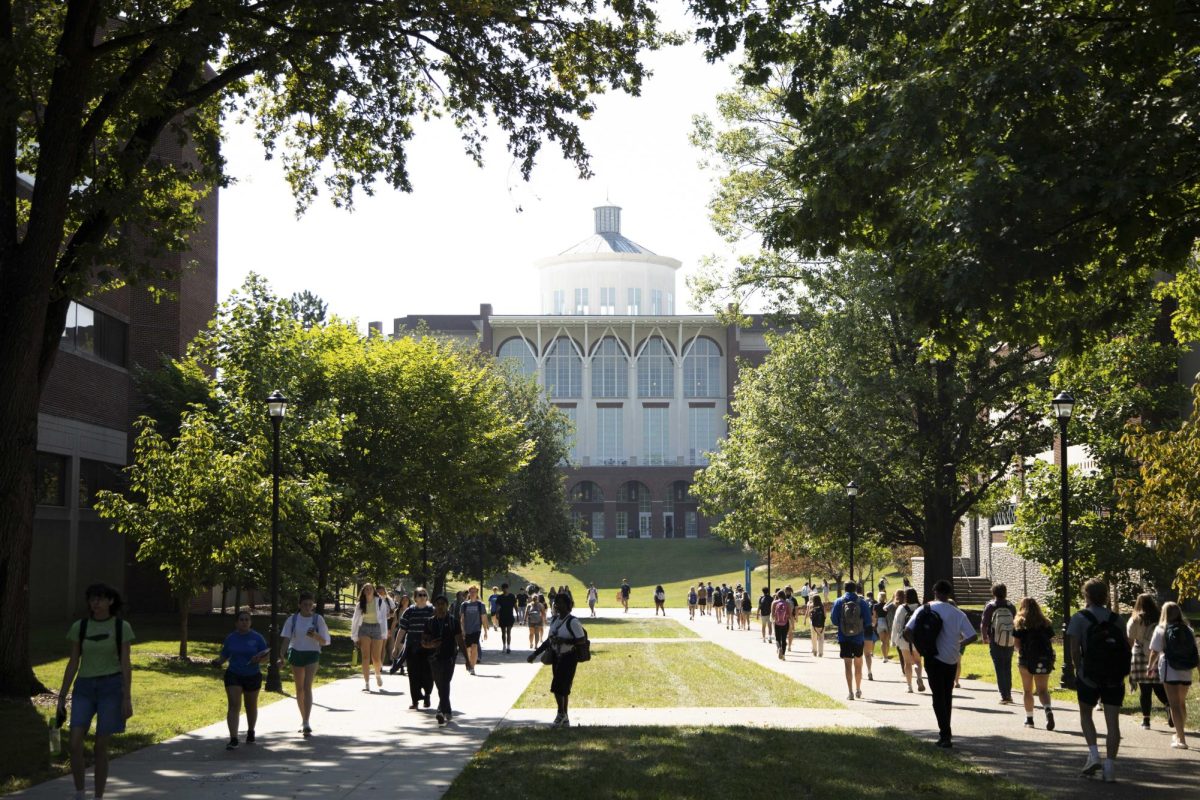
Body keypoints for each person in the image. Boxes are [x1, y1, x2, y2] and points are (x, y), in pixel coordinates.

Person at [57, 584, 135, 800]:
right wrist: (62, 695)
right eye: (92, 599)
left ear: (110, 601)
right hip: (84, 687)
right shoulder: (80, 627)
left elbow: (126, 664)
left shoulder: (121, 627)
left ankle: (98, 796)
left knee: (101, 745)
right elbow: (73, 662)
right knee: (74, 742)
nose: (95, 603)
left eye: (100, 599)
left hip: (111, 687)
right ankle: (80, 792)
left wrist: (126, 697)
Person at [1067, 578, 1129, 781]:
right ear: (1105, 596)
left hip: (1089, 675)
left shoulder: (1080, 618)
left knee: (1086, 714)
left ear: (1086, 595)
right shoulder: (1117, 619)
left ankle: (1093, 754)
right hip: (1114, 677)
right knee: (1113, 723)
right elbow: (1125, 648)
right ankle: (1109, 767)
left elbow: (1075, 649)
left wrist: (1078, 669)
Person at [903, 579, 977, 748]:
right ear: (949, 594)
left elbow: (907, 631)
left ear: (935, 592)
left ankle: (945, 733)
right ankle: (946, 731)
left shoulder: (925, 608)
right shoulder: (958, 613)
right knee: (947, 694)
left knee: (937, 696)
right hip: (951, 658)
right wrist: (959, 644)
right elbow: (973, 636)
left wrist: (920, 646)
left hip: (932, 657)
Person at [211, 608, 269, 750]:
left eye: (247, 620)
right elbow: (224, 655)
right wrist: (218, 662)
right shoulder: (231, 638)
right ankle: (234, 738)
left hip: (252, 675)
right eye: (241, 620)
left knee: (250, 706)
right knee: (234, 705)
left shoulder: (257, 638)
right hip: (234, 674)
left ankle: (250, 732)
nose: (244, 622)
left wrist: (258, 660)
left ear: (250, 622)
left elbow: (266, 656)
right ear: (236, 623)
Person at [528, 592, 588, 726]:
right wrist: (535, 654)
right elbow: (548, 641)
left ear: (568, 605)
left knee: (558, 686)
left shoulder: (573, 621)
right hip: (556, 656)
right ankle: (564, 717)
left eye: (560, 602)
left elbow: (581, 640)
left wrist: (564, 640)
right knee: (563, 688)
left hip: (569, 657)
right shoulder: (555, 620)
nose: (557, 605)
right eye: (556, 602)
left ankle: (560, 713)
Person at [279, 592, 331, 736]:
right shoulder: (293, 619)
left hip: (312, 653)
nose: (308, 607)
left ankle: (307, 721)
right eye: (305, 604)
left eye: (310, 604)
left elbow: (326, 641)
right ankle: (303, 719)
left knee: (307, 686)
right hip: (296, 652)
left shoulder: (317, 619)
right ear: (299, 605)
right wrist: (281, 655)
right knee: (299, 689)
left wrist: (315, 636)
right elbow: (286, 639)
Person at [1149, 600, 1197, 749]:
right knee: (1181, 703)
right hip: (1186, 670)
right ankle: (1178, 733)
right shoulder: (1188, 629)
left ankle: (1181, 739)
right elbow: (1194, 650)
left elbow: (1154, 651)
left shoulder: (1161, 629)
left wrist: (1150, 666)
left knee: (1173, 705)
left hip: (1170, 669)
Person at [1127, 593, 1172, 731]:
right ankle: (1169, 707)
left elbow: (1130, 636)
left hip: (1140, 654)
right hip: (1157, 654)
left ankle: (1146, 721)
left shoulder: (1135, 619)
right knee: (1158, 686)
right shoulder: (1160, 618)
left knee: (1145, 690)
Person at [1013, 596, 1055, 730]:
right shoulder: (1045, 623)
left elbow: (1017, 645)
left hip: (1026, 661)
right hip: (1043, 660)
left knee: (1027, 690)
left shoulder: (1020, 623)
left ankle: (1029, 719)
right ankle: (1048, 710)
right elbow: (1049, 642)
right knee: (1043, 690)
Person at [423, 594, 466, 725]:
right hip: (434, 659)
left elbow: (460, 641)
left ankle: (440, 711)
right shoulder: (430, 622)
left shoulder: (453, 621)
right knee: (440, 685)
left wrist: (468, 660)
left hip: (449, 658)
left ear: (447, 606)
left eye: (443, 604)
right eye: (438, 604)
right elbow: (423, 641)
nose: (440, 606)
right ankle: (447, 710)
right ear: (434, 606)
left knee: (445, 683)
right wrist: (430, 645)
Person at [394, 587, 436, 709]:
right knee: (413, 674)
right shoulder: (409, 611)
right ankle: (415, 700)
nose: (422, 597)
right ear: (415, 598)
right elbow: (402, 629)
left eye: (424, 595)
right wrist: (396, 647)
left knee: (428, 674)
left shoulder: (432, 611)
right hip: (412, 646)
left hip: (428, 647)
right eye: (420, 595)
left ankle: (427, 694)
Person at [350, 582, 393, 692]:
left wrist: (384, 633)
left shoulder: (380, 602)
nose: (368, 591)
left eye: (370, 589)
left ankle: (377, 674)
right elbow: (355, 620)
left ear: (373, 591)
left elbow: (383, 618)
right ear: (364, 592)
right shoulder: (360, 604)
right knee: (365, 657)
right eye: (366, 589)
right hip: (364, 629)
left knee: (376, 658)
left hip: (376, 629)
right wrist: (355, 636)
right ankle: (367, 683)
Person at [831, 583, 871, 698]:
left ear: (845, 589)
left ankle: (850, 692)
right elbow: (868, 621)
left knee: (847, 664)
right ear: (855, 589)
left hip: (844, 636)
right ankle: (858, 689)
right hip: (858, 637)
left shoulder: (839, 601)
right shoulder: (862, 602)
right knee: (858, 664)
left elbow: (834, 620)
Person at [980, 583, 1017, 705]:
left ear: (993, 592)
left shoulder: (991, 606)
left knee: (999, 667)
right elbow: (1016, 623)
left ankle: (1004, 695)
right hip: (1010, 640)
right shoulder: (1011, 606)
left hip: (995, 640)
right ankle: (1009, 693)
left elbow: (984, 624)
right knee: (1007, 666)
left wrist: (985, 637)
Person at [891, 588, 923, 692]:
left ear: (905, 597)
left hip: (904, 639)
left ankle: (909, 686)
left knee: (907, 663)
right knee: (918, 661)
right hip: (918, 639)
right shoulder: (921, 607)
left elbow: (895, 625)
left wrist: (893, 640)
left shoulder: (901, 608)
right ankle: (919, 677)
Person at [458, 586, 489, 675]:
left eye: (474, 592)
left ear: (477, 593)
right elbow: (462, 619)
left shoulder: (481, 605)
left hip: (476, 629)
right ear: (469, 593)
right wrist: (462, 630)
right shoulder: (464, 605)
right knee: (468, 650)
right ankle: (468, 663)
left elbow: (483, 618)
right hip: (467, 630)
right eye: (471, 592)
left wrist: (485, 632)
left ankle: (472, 667)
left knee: (474, 647)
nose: (473, 593)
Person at [388, 592, 412, 674]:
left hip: (407, 631)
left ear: (409, 601)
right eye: (403, 600)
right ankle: (395, 663)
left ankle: (401, 666)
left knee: (402, 649)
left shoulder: (411, 611)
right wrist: (391, 632)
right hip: (399, 630)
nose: (405, 601)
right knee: (396, 648)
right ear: (401, 601)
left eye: (406, 600)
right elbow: (394, 622)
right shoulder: (397, 611)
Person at [495, 583, 518, 653]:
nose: (505, 589)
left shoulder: (512, 596)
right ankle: (504, 646)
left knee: (508, 631)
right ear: (502, 589)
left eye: (506, 588)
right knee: (503, 632)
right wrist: (497, 613)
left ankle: (508, 647)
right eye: (503, 588)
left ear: (508, 588)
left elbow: (515, 605)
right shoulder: (500, 597)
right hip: (502, 616)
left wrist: (517, 615)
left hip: (510, 616)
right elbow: (498, 606)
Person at [770, 590, 791, 660]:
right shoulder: (787, 603)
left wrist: (775, 620)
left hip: (777, 623)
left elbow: (772, 614)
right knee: (784, 639)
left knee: (777, 638)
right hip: (785, 623)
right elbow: (789, 615)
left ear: (778, 596)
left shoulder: (774, 603)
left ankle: (779, 648)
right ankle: (784, 655)